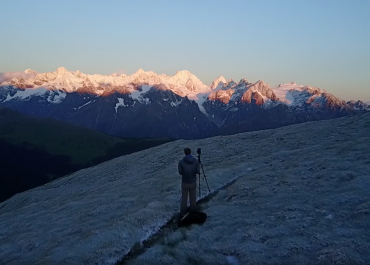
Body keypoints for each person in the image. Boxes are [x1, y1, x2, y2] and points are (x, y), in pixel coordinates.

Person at [178, 147, 200, 217]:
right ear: (190, 152)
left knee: (184, 198)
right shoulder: (196, 161)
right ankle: (193, 211)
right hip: (193, 182)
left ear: (185, 153)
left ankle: (182, 213)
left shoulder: (181, 162)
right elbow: (197, 172)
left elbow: (180, 172)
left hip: (185, 182)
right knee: (192, 197)